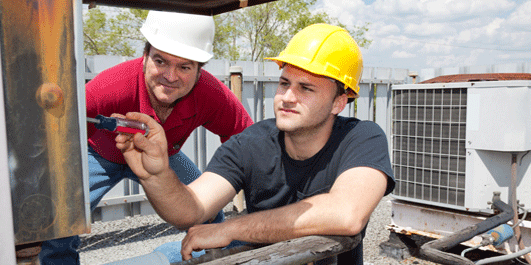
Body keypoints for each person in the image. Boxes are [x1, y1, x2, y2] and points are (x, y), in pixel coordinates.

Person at [115, 23, 395, 264]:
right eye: (285, 83)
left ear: (338, 102)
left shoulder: (361, 138)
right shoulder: (251, 144)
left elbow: (347, 214)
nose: (287, 97)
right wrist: (156, 176)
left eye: (306, 88)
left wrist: (231, 229)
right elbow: (192, 210)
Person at [39, 10, 253, 264]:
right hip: (99, 153)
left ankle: (213, 259)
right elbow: (57, 139)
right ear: (144, 56)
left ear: (199, 70)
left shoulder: (211, 94)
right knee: (58, 220)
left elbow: (248, 144)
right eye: (160, 61)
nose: (170, 76)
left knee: (207, 213)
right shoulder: (107, 87)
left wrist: (264, 203)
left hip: (163, 155)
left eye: (184, 66)